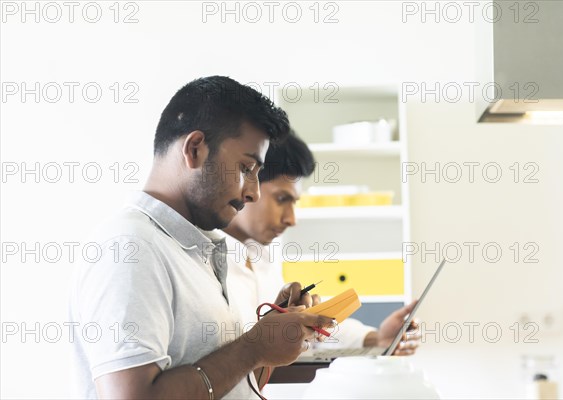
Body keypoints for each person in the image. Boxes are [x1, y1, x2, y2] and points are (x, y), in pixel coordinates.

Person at [68, 76, 333, 399]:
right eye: (247, 168)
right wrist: (253, 347)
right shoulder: (129, 248)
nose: (253, 192)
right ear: (195, 149)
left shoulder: (200, 247)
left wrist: (272, 338)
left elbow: (233, 385)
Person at [223, 131, 421, 355]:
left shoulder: (261, 260)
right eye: (281, 199)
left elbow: (311, 330)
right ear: (248, 184)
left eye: (294, 202)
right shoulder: (208, 262)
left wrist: (377, 338)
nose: (291, 219)